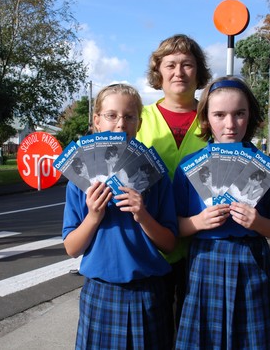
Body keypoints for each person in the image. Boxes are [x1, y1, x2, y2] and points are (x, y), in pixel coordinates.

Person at [173, 77, 270, 349]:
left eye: (239, 114)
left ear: (250, 116)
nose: (230, 124)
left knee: (252, 341)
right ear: (205, 119)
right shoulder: (189, 166)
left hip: (251, 261)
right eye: (219, 115)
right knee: (206, 341)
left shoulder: (264, 165)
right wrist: (198, 222)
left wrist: (257, 222)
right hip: (205, 261)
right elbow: (173, 227)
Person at [63, 83, 178, 349]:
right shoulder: (79, 182)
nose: (120, 123)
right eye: (111, 115)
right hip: (100, 291)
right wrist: (93, 216)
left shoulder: (156, 177)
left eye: (129, 116)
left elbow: (170, 243)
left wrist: (143, 214)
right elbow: (71, 248)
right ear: (97, 121)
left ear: (138, 123)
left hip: (148, 292)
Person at [135, 33, 211, 337]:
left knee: (193, 331)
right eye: (170, 65)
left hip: (202, 245)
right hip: (150, 244)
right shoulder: (138, 118)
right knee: (155, 332)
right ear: (159, 72)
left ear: (199, 71)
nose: (179, 72)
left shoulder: (214, 119)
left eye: (187, 64)